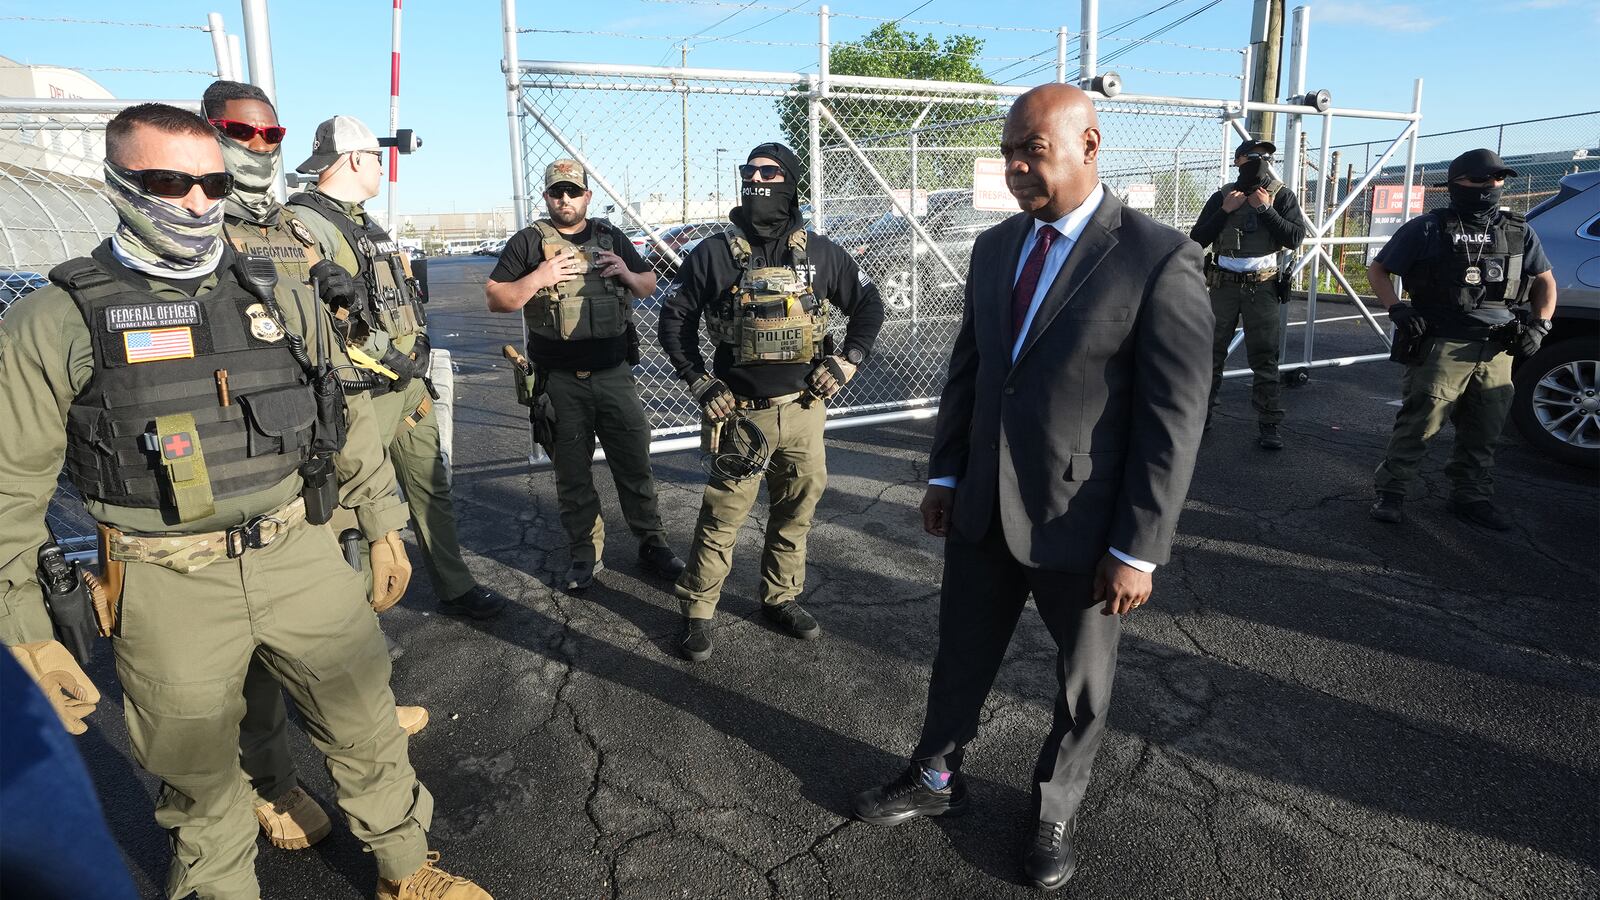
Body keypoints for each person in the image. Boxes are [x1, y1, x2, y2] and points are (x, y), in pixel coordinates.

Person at [0, 103, 489, 900]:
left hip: (300, 552)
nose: (197, 201)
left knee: (366, 728)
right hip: (165, 585)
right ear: (119, 184)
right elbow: (8, 489)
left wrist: (382, 521)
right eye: (168, 181)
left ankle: (407, 871)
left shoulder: (280, 292)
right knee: (197, 783)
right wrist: (21, 630)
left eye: (211, 183)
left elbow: (343, 418)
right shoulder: (55, 320)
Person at [851, 84, 1213, 891]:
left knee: (1081, 685)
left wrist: (1138, 550)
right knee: (959, 655)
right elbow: (973, 375)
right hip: (983, 505)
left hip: (1084, 526)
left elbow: (1174, 420)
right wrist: (946, 473)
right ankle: (937, 775)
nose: (1015, 166)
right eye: (1008, 149)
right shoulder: (995, 248)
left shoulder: (1158, 258)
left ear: (1089, 146)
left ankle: (1054, 809)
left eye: (1032, 151)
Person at [203, 79, 431, 856]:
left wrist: (380, 517)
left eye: (271, 135)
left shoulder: (291, 243)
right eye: (240, 132)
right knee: (246, 678)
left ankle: (403, 856)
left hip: (303, 486)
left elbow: (336, 390)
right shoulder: (166, 255)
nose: (256, 148)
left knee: (336, 653)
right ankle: (268, 783)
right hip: (220, 501)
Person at [658, 141, 885, 662]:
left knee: (795, 512)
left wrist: (848, 359)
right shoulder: (714, 253)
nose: (756, 179)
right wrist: (699, 382)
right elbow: (676, 321)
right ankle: (697, 611)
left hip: (805, 411)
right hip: (738, 414)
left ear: (791, 183)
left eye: (770, 171)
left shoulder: (822, 253)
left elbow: (869, 302)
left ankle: (780, 597)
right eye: (749, 170)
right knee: (722, 518)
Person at [287, 116, 507, 619]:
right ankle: (361, 617)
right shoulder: (303, 225)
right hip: (363, 392)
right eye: (376, 157)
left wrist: (420, 345)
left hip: (406, 384)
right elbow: (327, 315)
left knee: (432, 488)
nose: (382, 166)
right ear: (354, 159)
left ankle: (454, 586)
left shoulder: (364, 221)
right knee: (363, 507)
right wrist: (392, 357)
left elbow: (400, 294)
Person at [485, 159, 685, 592]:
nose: (565, 200)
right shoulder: (529, 242)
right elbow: (497, 298)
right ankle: (584, 555)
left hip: (613, 375)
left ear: (587, 197)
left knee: (634, 465)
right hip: (559, 382)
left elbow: (650, 284)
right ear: (546, 197)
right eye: (557, 192)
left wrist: (627, 273)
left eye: (573, 192)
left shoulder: (611, 238)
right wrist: (540, 276)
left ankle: (653, 544)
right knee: (572, 476)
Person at [1367, 148, 1557, 529]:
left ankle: (1471, 497)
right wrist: (1397, 309)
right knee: (1420, 424)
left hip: (1497, 347)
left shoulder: (1518, 230)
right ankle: (1392, 493)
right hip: (1443, 343)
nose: (1491, 186)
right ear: (1456, 185)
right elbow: (1379, 269)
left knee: (1485, 428)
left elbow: (1545, 282)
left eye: (1497, 179)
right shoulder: (1429, 227)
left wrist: (1541, 324)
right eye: (1480, 179)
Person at [1188, 139, 1308, 449]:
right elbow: (1197, 239)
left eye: (1267, 156)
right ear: (1238, 160)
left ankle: (1269, 423)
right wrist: (1226, 211)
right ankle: (1201, 418)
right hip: (1223, 286)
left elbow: (1295, 237)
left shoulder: (1281, 196)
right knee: (1210, 355)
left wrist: (1265, 210)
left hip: (1262, 286)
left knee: (1265, 357)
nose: (1261, 161)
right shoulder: (1224, 195)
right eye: (1254, 156)